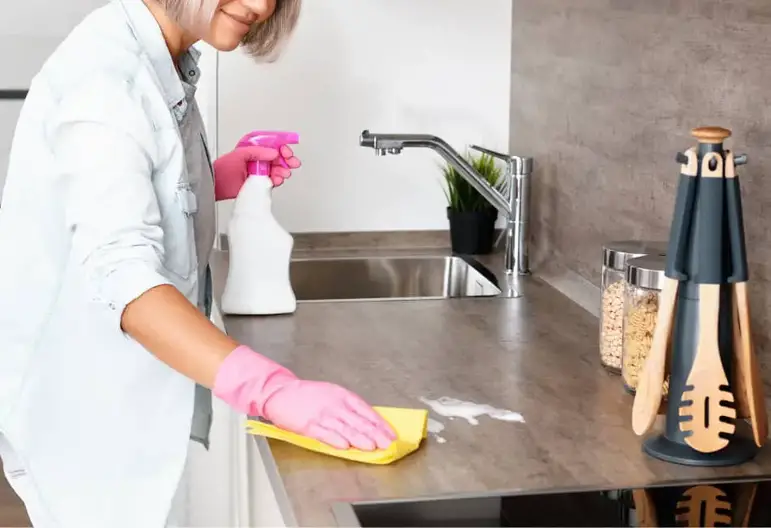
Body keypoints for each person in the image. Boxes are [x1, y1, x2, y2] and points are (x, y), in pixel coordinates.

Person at [0, 0, 396, 525]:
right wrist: (274, 390)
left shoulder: (164, 57)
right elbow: (127, 280)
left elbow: (134, 186)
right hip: (87, 426)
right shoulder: (104, 82)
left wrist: (212, 178)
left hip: (123, 411)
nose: (260, 5)